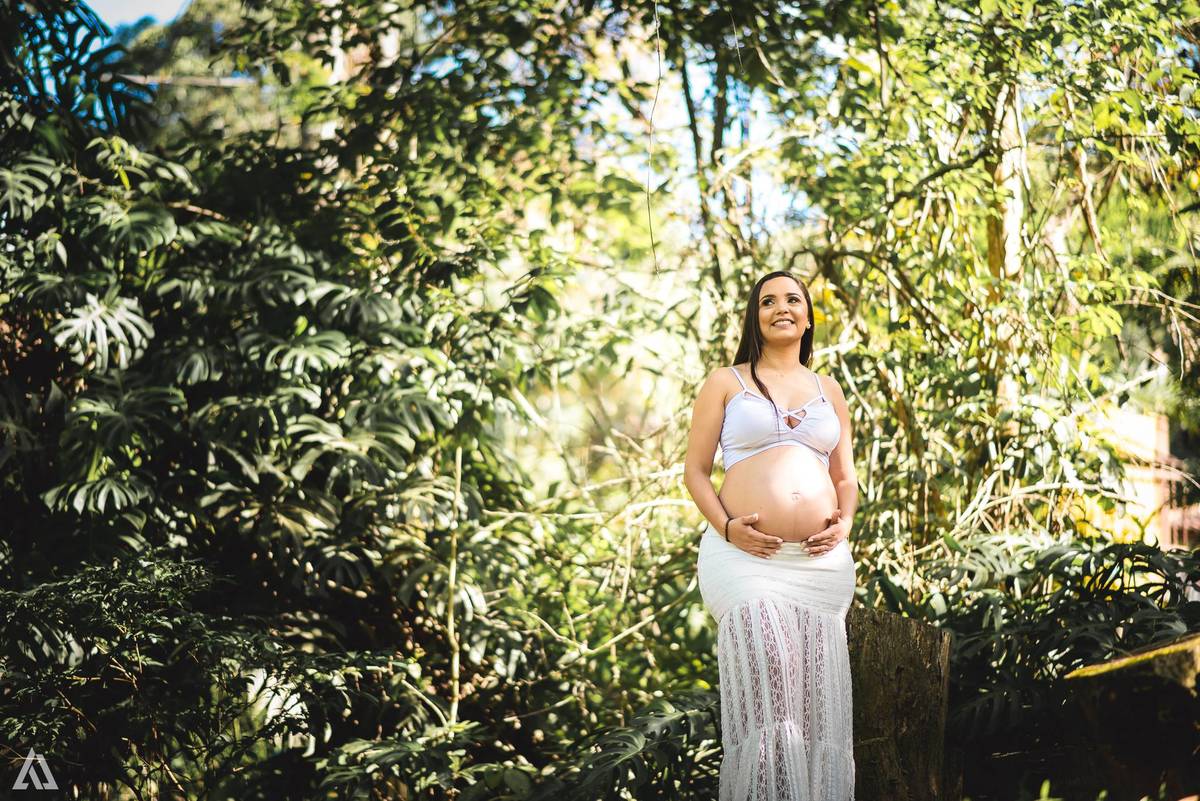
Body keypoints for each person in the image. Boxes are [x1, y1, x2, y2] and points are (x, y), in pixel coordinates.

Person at [685, 270, 858, 801]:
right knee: (771, 682)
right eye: (767, 301)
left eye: (792, 300)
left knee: (811, 705)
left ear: (808, 317)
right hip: (743, 561)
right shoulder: (725, 382)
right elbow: (695, 472)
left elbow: (845, 476)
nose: (780, 308)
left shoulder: (829, 390)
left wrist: (845, 520)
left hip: (818, 566)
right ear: (754, 317)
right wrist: (728, 527)